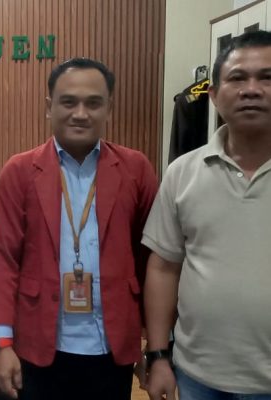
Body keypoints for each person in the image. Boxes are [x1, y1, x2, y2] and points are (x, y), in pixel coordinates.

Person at [0, 57, 158, 400]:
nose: (81, 113)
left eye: (93, 103)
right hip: (39, 343)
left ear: (109, 108)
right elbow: (3, 259)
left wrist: (154, 344)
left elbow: (151, 260)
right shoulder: (19, 171)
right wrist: (2, 343)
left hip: (112, 344)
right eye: (68, 102)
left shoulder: (135, 168)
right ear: (49, 107)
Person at [143, 30, 271, 400]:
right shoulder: (182, 173)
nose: (251, 89)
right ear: (213, 95)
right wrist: (158, 355)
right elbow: (163, 268)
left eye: (266, 77)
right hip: (197, 377)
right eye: (237, 78)